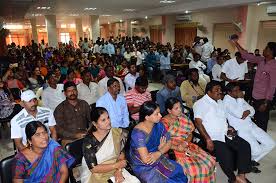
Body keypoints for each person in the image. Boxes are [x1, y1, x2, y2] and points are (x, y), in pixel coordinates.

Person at [193, 81, 252, 183]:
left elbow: (223, 118)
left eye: (220, 90)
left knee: (245, 145)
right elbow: (198, 123)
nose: (220, 92)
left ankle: (241, 175)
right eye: (217, 90)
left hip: (224, 134)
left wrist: (229, 127)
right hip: (211, 137)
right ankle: (233, 179)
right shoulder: (200, 103)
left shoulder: (220, 102)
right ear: (209, 92)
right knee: (226, 154)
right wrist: (208, 139)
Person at [128, 101, 188, 183]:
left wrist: (159, 152)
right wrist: (161, 149)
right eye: (157, 114)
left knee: (178, 170)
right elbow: (146, 160)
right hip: (143, 165)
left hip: (157, 155)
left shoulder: (159, 124)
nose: (160, 115)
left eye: (159, 112)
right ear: (147, 117)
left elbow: (169, 142)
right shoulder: (138, 133)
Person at [161, 97, 216, 183]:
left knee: (208, 162)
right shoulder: (163, 123)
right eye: (176, 108)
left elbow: (190, 133)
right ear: (169, 110)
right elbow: (163, 142)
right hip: (172, 148)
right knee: (192, 170)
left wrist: (185, 142)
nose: (180, 110)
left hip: (186, 143)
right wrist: (178, 147)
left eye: (180, 107)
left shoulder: (183, 117)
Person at [80, 107, 140, 183]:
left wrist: (118, 171)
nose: (108, 121)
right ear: (95, 124)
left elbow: (121, 153)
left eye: (108, 118)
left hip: (116, 167)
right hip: (98, 174)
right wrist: (116, 165)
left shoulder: (116, 133)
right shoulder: (89, 141)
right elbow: (94, 168)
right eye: (103, 120)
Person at [223, 83, 275, 163]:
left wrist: (247, 111)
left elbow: (253, 110)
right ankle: (247, 161)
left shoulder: (238, 97)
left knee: (271, 143)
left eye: (239, 90)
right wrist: (241, 100)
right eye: (235, 91)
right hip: (241, 130)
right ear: (229, 93)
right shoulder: (227, 102)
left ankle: (251, 160)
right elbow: (240, 114)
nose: (239, 92)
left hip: (251, 126)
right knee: (257, 151)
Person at [232, 41, 276, 132]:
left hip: (263, 99)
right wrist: (236, 43)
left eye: (266, 48)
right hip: (255, 96)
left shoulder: (273, 66)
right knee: (256, 119)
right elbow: (246, 55)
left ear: (271, 52)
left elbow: (272, 86)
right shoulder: (261, 60)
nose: (264, 50)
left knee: (262, 121)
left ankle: (263, 142)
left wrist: (266, 103)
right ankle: (256, 139)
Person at [54, 81, 90, 146]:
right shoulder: (60, 109)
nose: (72, 92)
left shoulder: (84, 104)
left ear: (77, 91)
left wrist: (89, 131)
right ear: (65, 93)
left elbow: (91, 120)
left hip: (85, 135)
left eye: (74, 90)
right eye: (69, 91)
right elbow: (58, 129)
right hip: (69, 139)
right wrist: (75, 135)